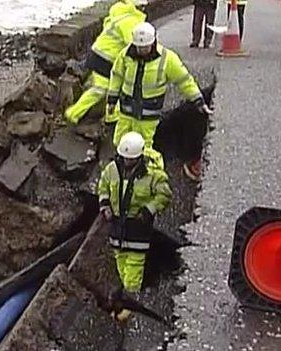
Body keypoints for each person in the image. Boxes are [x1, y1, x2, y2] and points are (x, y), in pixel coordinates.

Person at [107, 22, 213, 180]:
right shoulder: (125, 55)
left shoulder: (167, 59)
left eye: (145, 47)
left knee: (145, 146)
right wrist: (111, 100)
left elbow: (184, 81)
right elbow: (117, 77)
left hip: (148, 116)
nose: (142, 51)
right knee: (120, 140)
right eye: (139, 47)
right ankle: (120, 173)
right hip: (126, 112)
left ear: (153, 42)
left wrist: (198, 101)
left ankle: (148, 178)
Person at [97, 131, 172, 296]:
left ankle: (131, 304)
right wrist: (105, 205)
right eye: (125, 157)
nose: (127, 162)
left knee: (132, 277)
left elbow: (164, 195)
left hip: (138, 231)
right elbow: (103, 187)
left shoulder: (152, 174)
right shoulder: (112, 170)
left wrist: (148, 210)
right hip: (118, 231)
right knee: (121, 269)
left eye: (131, 159)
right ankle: (125, 299)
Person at [64, 0, 148, 126]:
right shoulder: (131, 21)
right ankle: (74, 113)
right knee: (102, 89)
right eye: (143, 6)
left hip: (100, 55)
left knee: (110, 87)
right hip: (104, 59)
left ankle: (111, 114)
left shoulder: (121, 14)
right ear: (139, 7)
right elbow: (134, 44)